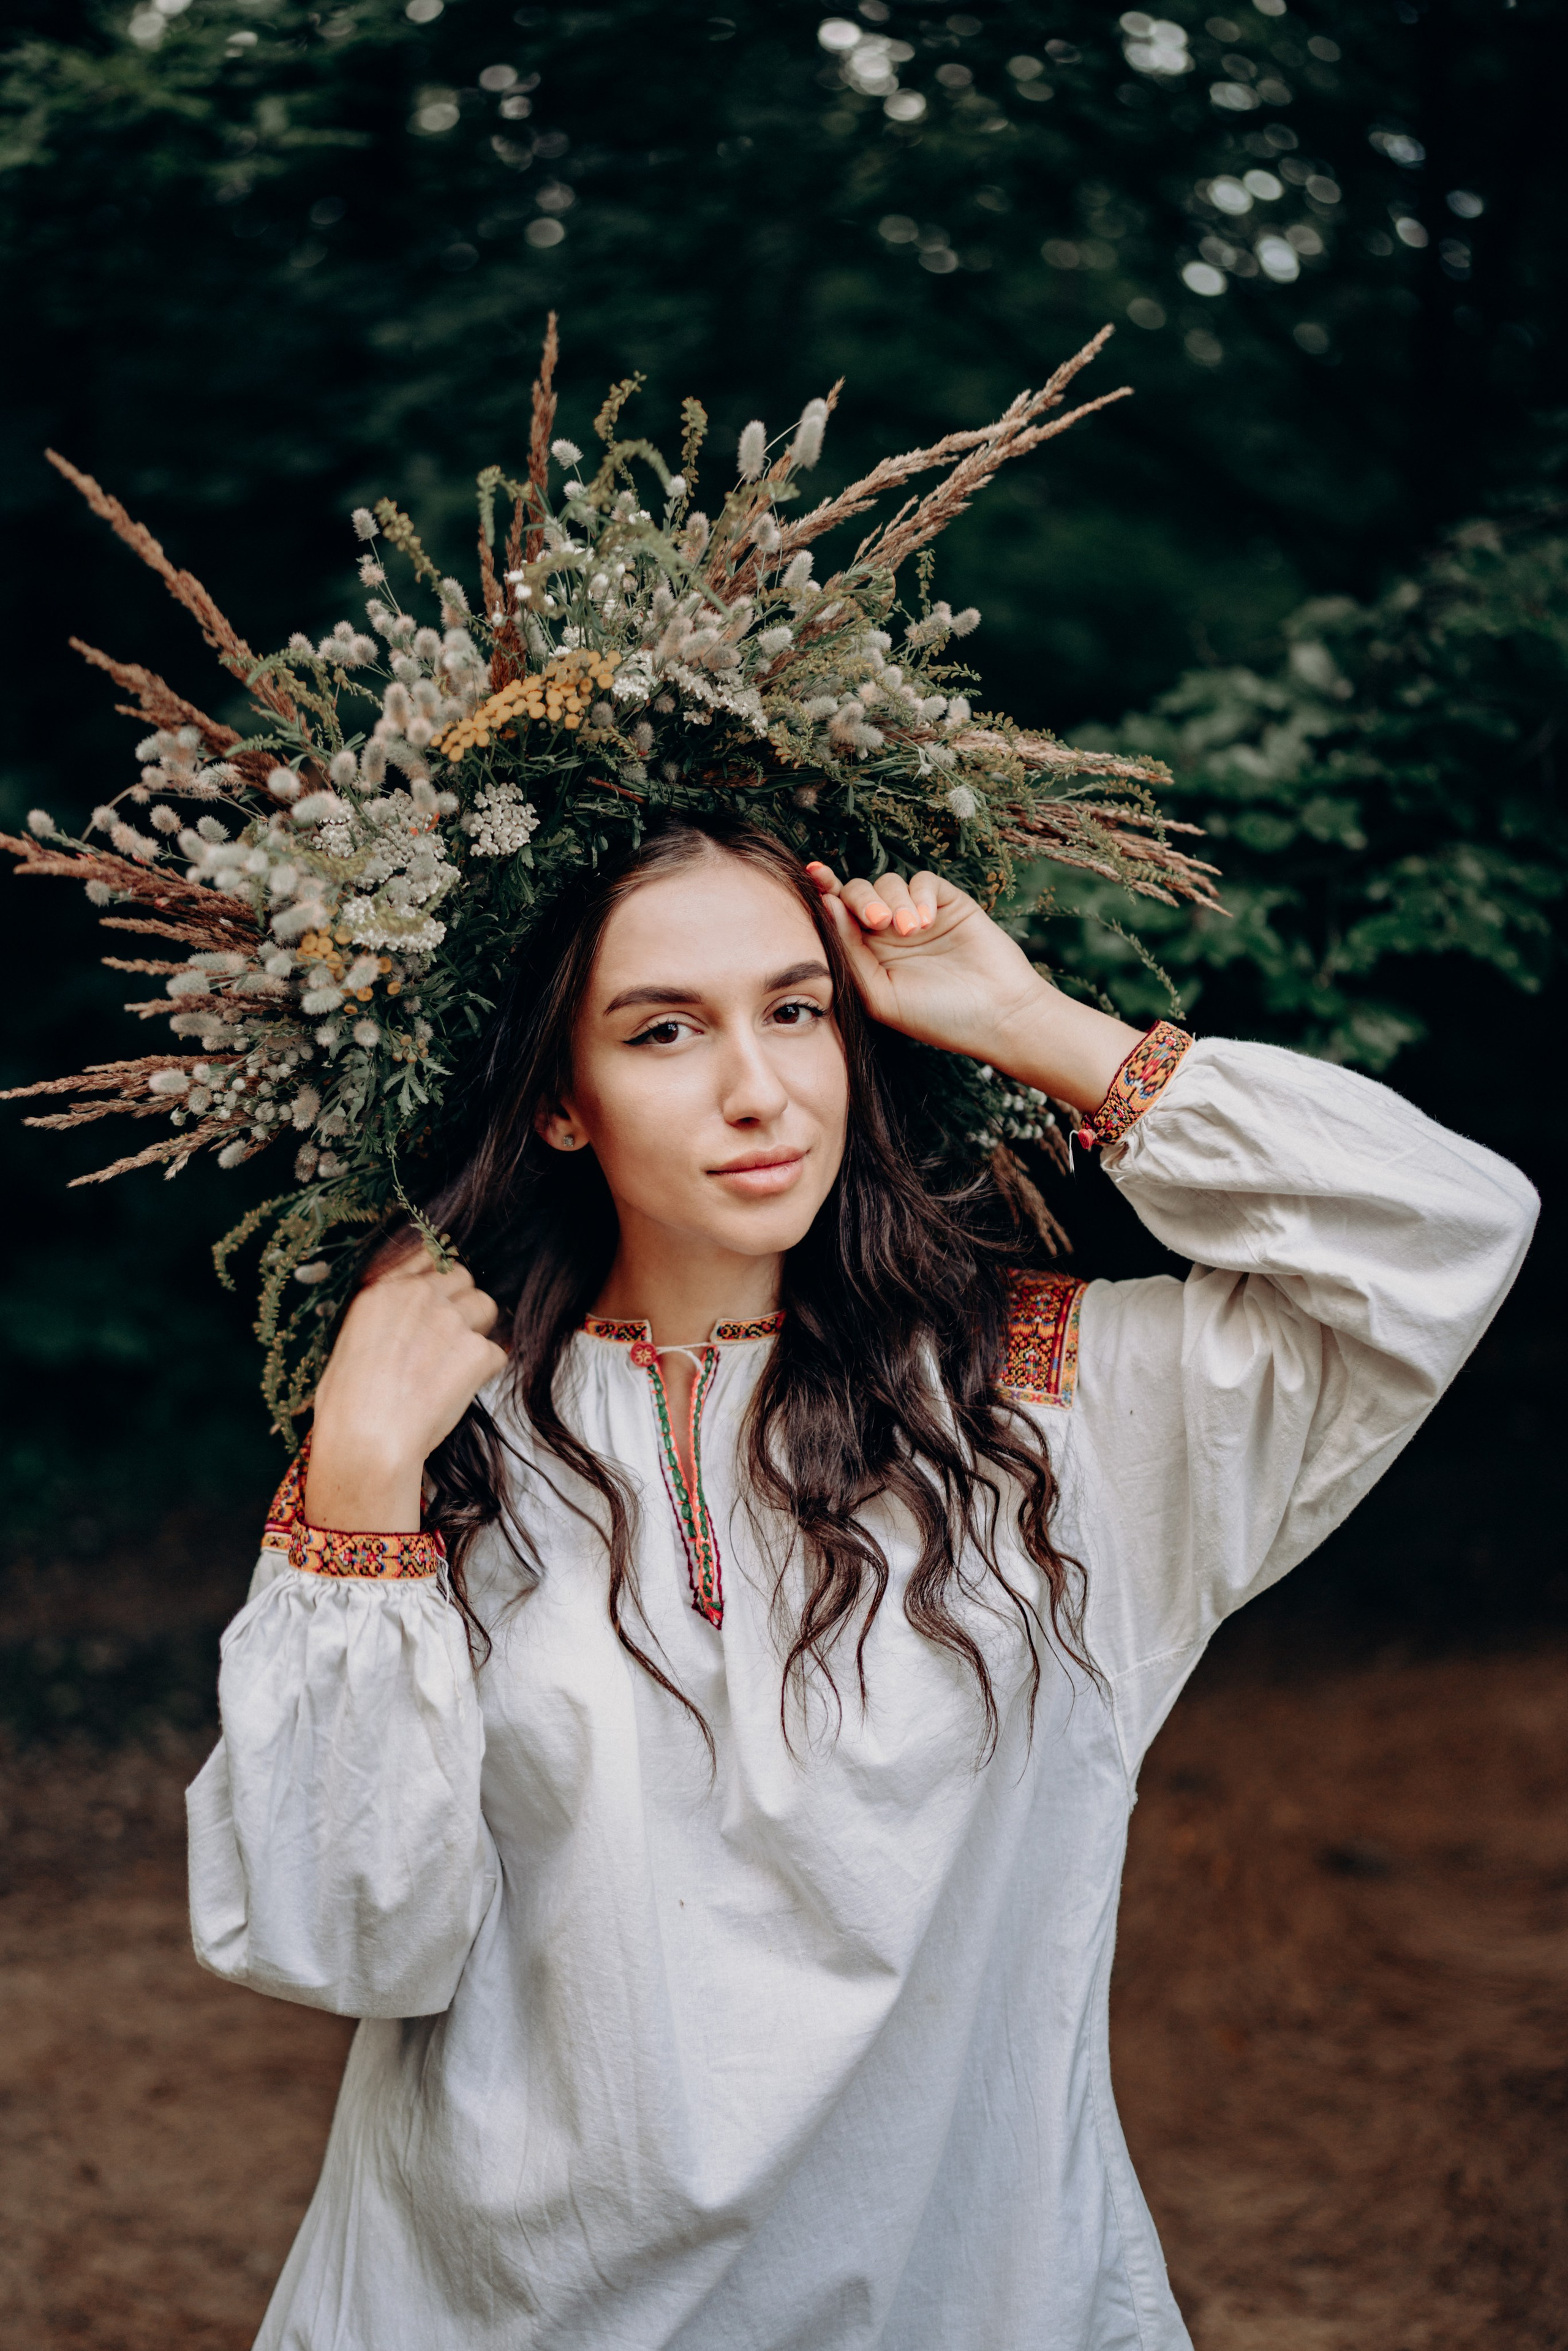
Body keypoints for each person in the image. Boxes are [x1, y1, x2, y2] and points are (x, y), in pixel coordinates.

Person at [187, 816, 1536, 2351]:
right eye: (663, 1030)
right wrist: (361, 1465)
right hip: (490, 2307)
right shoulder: (435, 1446)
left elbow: (1445, 1232)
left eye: (794, 1008)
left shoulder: (1049, 1424)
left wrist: (1036, 1026)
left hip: (960, 2293)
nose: (756, 1087)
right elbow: (344, 1942)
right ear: (561, 1099)